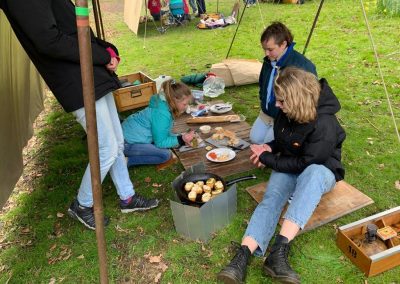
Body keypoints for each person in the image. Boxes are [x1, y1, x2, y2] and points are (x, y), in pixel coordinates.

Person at [0, 0, 159, 230]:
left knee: (117, 142)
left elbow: (75, 27)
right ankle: (82, 205)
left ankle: (127, 196)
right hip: (74, 79)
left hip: (90, 72)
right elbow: (49, 41)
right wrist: (101, 55)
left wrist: (105, 48)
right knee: (105, 147)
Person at [217, 67, 346, 284]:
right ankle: (242, 256)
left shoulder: (325, 122)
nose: (277, 105)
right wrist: (268, 147)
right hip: (291, 162)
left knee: (313, 175)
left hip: (321, 169)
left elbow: (308, 161)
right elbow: (286, 140)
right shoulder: (288, 111)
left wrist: (269, 159)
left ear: (297, 99)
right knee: (272, 198)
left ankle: (279, 251)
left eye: (281, 101)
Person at [250, 21, 317, 145]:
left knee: (269, 145)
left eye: (270, 49)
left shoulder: (302, 66)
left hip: (287, 118)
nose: (266, 53)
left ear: (283, 44)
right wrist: (264, 101)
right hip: (267, 113)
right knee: (255, 139)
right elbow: (262, 84)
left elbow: (308, 100)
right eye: (264, 49)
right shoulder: (269, 61)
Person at [122, 80, 195, 169]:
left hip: (127, 135)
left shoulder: (163, 104)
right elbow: (160, 143)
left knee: (165, 146)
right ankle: (127, 161)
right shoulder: (162, 114)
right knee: (165, 155)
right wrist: (181, 139)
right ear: (174, 100)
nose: (187, 106)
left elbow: (163, 131)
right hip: (126, 143)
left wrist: (180, 137)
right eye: (185, 104)